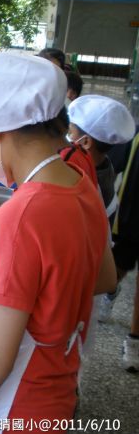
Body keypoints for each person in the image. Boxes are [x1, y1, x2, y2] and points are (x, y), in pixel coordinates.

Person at [0, 52, 116, 432]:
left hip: (11, 409)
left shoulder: (21, 217)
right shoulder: (81, 185)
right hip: (58, 389)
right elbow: (104, 279)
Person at [67, 95, 135, 226]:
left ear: (85, 142)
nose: (67, 137)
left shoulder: (83, 181)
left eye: (70, 133)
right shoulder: (104, 165)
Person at [112, 133, 139, 372]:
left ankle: (134, 340)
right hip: (130, 219)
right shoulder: (134, 136)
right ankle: (110, 292)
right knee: (116, 270)